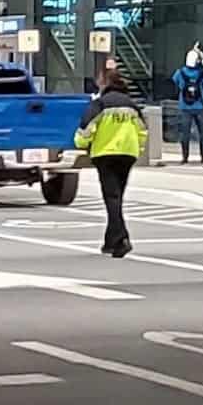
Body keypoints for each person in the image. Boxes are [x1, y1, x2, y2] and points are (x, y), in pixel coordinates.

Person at [73, 59, 148, 259]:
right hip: (128, 154)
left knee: (111, 198)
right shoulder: (131, 105)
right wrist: (138, 147)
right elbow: (143, 130)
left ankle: (122, 238)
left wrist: (81, 143)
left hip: (106, 154)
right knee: (117, 197)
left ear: (103, 81)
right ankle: (110, 242)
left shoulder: (100, 104)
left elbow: (86, 130)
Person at [170, 44, 203, 165]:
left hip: (185, 107)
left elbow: (175, 81)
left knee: (185, 133)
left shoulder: (180, 72)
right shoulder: (201, 73)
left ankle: (185, 158)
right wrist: (201, 56)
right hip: (199, 106)